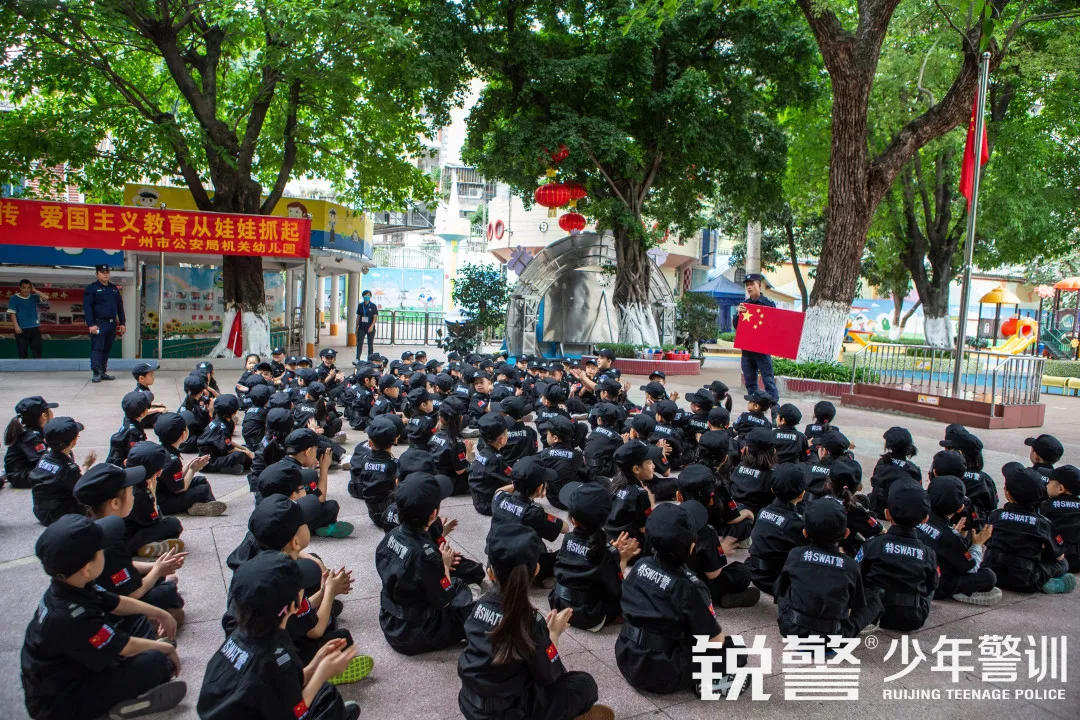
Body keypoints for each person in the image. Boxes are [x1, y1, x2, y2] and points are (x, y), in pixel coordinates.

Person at [22, 514, 184, 720]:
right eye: (101, 551)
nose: (105, 553)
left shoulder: (72, 585)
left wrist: (159, 613)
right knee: (157, 662)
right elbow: (123, 645)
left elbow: (117, 602)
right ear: (87, 568)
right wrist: (165, 647)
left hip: (79, 664)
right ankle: (114, 709)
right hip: (59, 703)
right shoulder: (69, 616)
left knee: (136, 620)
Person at [458, 522, 615, 720]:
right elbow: (550, 676)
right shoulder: (530, 622)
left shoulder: (478, 607)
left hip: (470, 704)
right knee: (585, 684)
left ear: (490, 572)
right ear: (536, 570)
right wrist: (553, 635)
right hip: (511, 713)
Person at [197, 551, 362, 720]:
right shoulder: (272, 658)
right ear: (292, 606)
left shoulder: (244, 635)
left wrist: (315, 664)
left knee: (327, 693)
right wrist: (321, 674)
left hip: (245, 708)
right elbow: (295, 712)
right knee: (325, 693)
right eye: (300, 587)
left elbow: (281, 684)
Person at [615, 502, 744, 697]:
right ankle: (708, 684)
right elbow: (715, 641)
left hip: (625, 656)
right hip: (662, 674)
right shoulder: (688, 587)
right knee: (736, 651)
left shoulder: (640, 566)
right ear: (692, 547)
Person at [375, 473, 475, 655]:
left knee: (458, 585)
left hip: (390, 622)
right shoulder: (426, 555)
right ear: (433, 514)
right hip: (417, 634)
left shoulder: (390, 537)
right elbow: (444, 601)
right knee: (476, 610)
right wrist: (444, 563)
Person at [73, 464, 187, 624]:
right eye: (129, 490)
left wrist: (156, 566)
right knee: (167, 593)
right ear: (115, 503)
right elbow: (130, 595)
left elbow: (122, 565)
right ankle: (148, 624)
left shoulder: (95, 525)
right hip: (110, 606)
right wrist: (156, 571)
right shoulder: (108, 542)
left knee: (160, 579)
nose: (134, 494)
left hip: (108, 587)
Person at [775, 499, 880, 640]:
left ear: (805, 532)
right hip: (834, 637)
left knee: (784, 585)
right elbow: (855, 604)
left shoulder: (795, 554)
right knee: (874, 599)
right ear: (846, 533)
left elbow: (779, 590)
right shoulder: (850, 565)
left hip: (791, 629)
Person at [856, 481, 937, 632]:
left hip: (873, 614)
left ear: (887, 514)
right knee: (932, 583)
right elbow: (930, 586)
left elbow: (857, 575)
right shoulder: (928, 553)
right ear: (925, 519)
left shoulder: (873, 545)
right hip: (912, 618)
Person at [987, 463, 1074, 594]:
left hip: (993, 575)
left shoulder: (995, 516)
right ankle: (1054, 583)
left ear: (1007, 493)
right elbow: (1059, 556)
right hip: (1027, 582)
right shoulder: (1043, 524)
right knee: (1063, 564)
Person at [919, 474, 1000, 605]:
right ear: (960, 508)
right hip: (936, 585)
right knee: (989, 576)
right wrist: (977, 544)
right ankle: (958, 592)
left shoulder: (918, 516)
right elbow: (971, 568)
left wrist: (957, 536)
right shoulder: (949, 536)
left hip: (913, 575)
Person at [488, 456, 568, 583]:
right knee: (566, 554)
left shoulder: (500, 499)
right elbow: (565, 527)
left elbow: (499, 491)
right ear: (539, 488)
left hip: (496, 563)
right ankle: (543, 577)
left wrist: (518, 484)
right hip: (522, 573)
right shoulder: (533, 513)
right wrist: (542, 512)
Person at [748, 463, 808, 596]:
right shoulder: (797, 524)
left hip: (754, 572)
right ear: (802, 494)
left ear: (772, 489)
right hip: (776, 582)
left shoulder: (763, 511)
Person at [152, 412, 226, 517]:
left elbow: (171, 478)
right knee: (203, 489)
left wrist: (189, 465)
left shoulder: (162, 450)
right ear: (183, 434)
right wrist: (192, 470)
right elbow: (180, 488)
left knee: (201, 480)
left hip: (165, 491)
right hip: (163, 502)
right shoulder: (172, 460)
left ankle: (205, 505)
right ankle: (198, 505)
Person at [30, 417, 95, 526]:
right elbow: (82, 487)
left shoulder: (44, 458)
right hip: (57, 516)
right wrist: (86, 466)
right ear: (74, 441)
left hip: (40, 511)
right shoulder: (67, 469)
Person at [733, 272, 778, 405]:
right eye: (747, 285)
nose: (749, 287)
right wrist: (738, 314)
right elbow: (737, 326)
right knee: (750, 381)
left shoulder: (768, 304)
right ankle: (754, 406)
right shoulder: (744, 305)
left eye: (752, 284)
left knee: (768, 380)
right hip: (747, 350)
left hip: (762, 350)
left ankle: (774, 407)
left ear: (759, 285)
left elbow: (774, 325)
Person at [605, 440, 663, 543]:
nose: (654, 466)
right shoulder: (640, 495)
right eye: (650, 462)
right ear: (636, 469)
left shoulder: (615, 483)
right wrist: (652, 504)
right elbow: (645, 529)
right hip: (629, 546)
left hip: (610, 538)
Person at [347, 415, 400, 527]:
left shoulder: (365, 461)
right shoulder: (395, 464)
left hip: (372, 512)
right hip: (390, 513)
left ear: (370, 443)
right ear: (395, 439)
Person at [83, 264, 126, 383]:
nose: (105, 274)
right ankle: (96, 372)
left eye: (107, 272)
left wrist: (122, 322)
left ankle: (103, 371)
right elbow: (87, 307)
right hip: (98, 323)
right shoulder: (92, 288)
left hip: (111, 324)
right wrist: (91, 324)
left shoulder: (113, 288)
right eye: (102, 272)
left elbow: (119, 306)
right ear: (97, 274)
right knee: (97, 348)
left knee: (107, 348)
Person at [4, 396, 57, 489]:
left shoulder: (32, 431)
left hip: (21, 470)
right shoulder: (30, 437)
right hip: (20, 476)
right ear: (44, 416)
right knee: (57, 473)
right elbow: (45, 462)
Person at [469, 413, 514, 515]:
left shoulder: (483, 452)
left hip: (478, 499)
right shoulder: (497, 459)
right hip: (489, 505)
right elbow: (512, 478)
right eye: (506, 433)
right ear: (501, 440)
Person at [1043, 465, 1080, 572]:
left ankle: (1057, 580)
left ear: (1060, 489)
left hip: (1058, 557)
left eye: (1049, 482)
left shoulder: (1046, 506)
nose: (1047, 485)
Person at [7, 278, 50, 359]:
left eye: (28, 288)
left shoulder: (34, 297)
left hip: (34, 328)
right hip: (21, 329)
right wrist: (16, 326)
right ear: (20, 287)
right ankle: (23, 370)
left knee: (37, 350)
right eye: (24, 287)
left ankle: (37, 369)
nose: (26, 290)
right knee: (22, 351)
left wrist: (34, 289)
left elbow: (46, 297)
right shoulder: (14, 298)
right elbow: (12, 313)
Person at [106, 392, 150, 467]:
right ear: (144, 413)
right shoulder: (133, 432)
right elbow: (134, 456)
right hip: (121, 467)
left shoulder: (128, 418)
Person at [355, 289, 378, 361]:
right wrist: (356, 327)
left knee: (370, 344)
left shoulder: (373, 306)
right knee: (359, 343)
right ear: (363, 296)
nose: (367, 296)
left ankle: (370, 359)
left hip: (370, 328)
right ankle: (357, 358)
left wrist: (371, 326)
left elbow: (375, 317)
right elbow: (358, 317)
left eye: (368, 295)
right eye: (365, 295)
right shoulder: (360, 305)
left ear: (370, 296)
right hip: (361, 327)